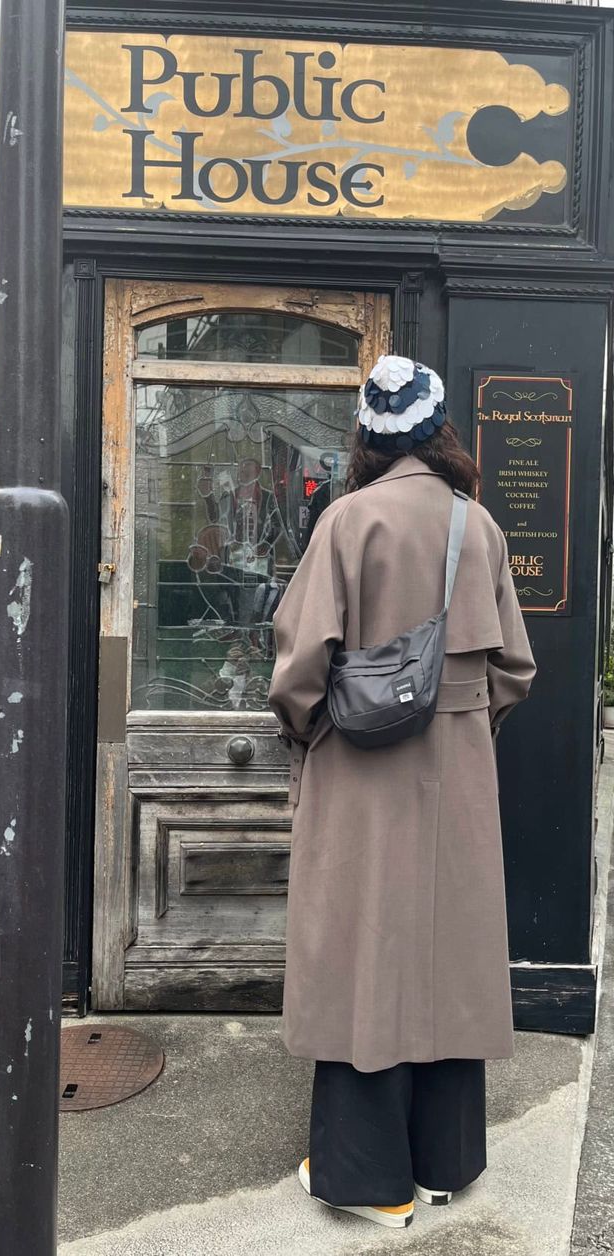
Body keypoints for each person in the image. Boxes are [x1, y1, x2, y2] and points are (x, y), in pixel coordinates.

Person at [268, 355, 536, 1229]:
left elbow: (299, 670)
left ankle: (371, 1180)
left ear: (369, 437)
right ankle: (445, 1163)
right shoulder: (478, 526)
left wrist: (313, 733)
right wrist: (461, 729)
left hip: (359, 762)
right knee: (449, 953)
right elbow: (514, 669)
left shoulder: (347, 521)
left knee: (362, 951)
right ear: (439, 429)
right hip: (457, 766)